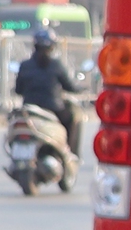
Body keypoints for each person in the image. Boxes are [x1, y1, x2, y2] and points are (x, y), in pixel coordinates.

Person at [14, 26, 87, 158]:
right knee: (72, 118)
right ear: (52, 47)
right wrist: (81, 88)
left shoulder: (25, 65)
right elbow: (69, 87)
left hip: (29, 109)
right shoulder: (56, 65)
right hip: (54, 109)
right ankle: (69, 152)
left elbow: (18, 90)